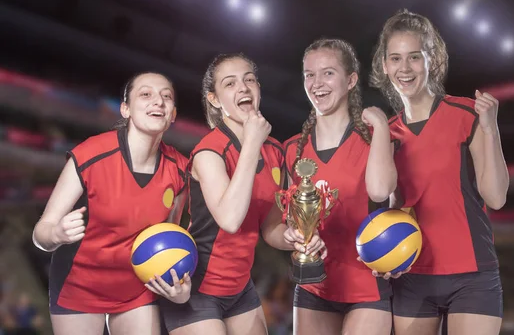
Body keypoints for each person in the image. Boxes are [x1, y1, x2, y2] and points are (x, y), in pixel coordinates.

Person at [367, 9, 510, 335]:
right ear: (385, 65)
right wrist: (382, 252)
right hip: (412, 277)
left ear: (432, 59)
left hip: (472, 274)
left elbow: (496, 197)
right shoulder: (386, 133)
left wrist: (491, 130)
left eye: (414, 57)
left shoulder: (467, 115)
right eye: (396, 58)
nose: (405, 68)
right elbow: (391, 205)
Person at [160, 53, 324, 335]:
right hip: (195, 285)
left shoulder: (273, 151)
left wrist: (295, 238)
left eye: (249, 79)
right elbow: (230, 219)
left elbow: (270, 226)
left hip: (240, 288)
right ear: (214, 99)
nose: (244, 87)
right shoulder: (208, 152)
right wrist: (251, 143)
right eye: (230, 83)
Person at [32, 72, 191, 335]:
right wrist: (57, 234)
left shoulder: (181, 170)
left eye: (166, 97)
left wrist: (180, 288)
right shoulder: (90, 155)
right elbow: (41, 232)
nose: (158, 102)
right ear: (125, 109)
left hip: (138, 286)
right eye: (146, 94)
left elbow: (169, 238)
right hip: (79, 285)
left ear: (173, 114)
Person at [283, 39, 393, 335]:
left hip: (367, 285)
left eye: (328, 73)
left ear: (351, 80)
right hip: (313, 288)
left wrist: (382, 128)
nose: (317, 83)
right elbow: (281, 224)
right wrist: (292, 234)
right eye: (309, 75)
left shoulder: (374, 139)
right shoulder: (291, 150)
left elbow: (386, 195)